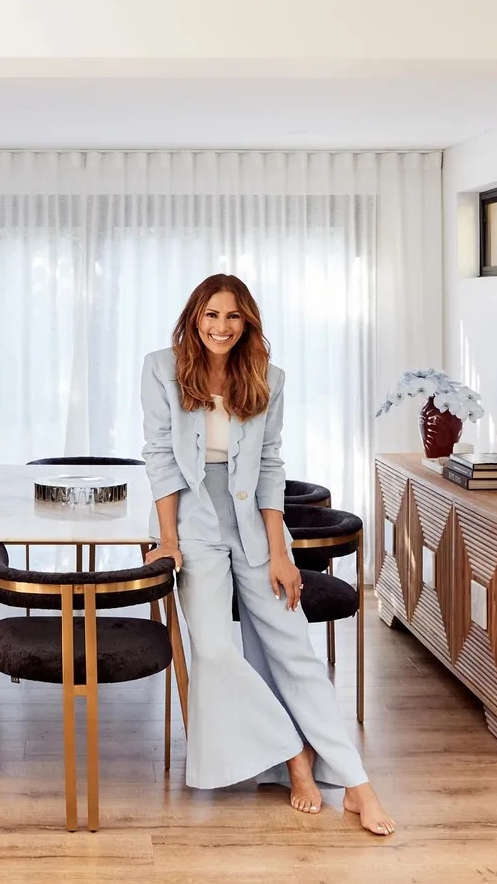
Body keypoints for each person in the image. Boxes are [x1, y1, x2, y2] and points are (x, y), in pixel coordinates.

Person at [140, 275, 395, 836]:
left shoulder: (266, 378)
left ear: (247, 322)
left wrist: (280, 551)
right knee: (211, 650)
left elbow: (271, 464)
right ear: (193, 316)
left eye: (233, 317)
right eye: (211, 315)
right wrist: (169, 538)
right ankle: (294, 754)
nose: (220, 327)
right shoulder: (161, 367)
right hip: (190, 519)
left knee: (294, 649)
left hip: (252, 523)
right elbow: (159, 456)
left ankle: (357, 785)